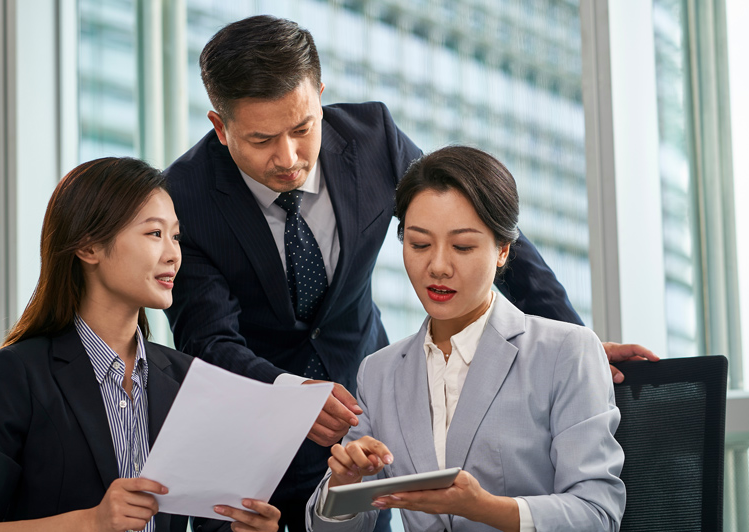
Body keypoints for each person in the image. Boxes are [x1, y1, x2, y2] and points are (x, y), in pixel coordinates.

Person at [163, 15, 648, 532]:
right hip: (247, 427)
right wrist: (290, 393)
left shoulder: (372, 138)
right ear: (220, 126)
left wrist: (573, 335)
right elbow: (207, 338)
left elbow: (483, 222)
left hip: (356, 412)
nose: (289, 157)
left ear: (320, 96)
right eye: (262, 140)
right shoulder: (186, 197)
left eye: (303, 128)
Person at [0, 158, 281, 532]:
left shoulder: (185, 378)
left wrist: (244, 528)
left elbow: (213, 522)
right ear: (89, 246)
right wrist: (91, 522)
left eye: (175, 236)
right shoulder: (18, 373)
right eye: (154, 234)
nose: (174, 254)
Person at [306, 146, 625, 532]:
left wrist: (486, 508)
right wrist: (345, 484)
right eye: (419, 244)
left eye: (462, 246)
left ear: (503, 250)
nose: (437, 266)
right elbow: (328, 527)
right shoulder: (380, 371)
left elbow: (597, 514)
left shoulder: (566, 352)